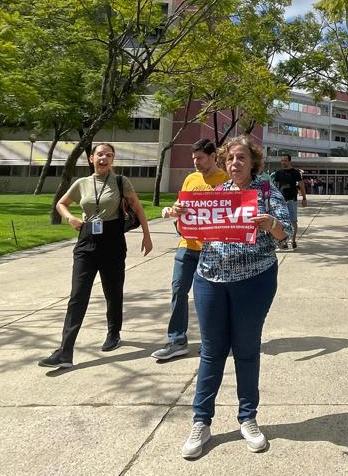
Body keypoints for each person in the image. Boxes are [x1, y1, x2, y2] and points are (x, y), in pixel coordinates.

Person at [168, 135, 291, 459]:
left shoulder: (264, 192)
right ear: (224, 163)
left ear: (253, 163)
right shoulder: (215, 196)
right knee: (211, 351)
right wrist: (181, 216)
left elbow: (286, 232)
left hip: (254, 281)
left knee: (246, 349)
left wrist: (271, 223)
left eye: (241, 158)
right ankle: (201, 422)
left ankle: (247, 418)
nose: (235, 163)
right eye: (230, 159)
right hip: (210, 279)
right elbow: (192, 233)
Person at [39, 143, 153, 369]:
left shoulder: (121, 181)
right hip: (86, 241)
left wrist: (147, 236)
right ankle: (65, 351)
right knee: (78, 295)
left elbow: (137, 208)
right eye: (100, 155)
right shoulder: (82, 184)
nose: (104, 158)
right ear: (91, 158)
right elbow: (61, 203)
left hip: (112, 242)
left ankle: (113, 334)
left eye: (109, 155)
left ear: (113, 160)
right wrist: (70, 217)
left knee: (113, 291)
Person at [151, 139, 228, 361]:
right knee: (178, 291)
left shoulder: (225, 180)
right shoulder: (190, 179)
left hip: (213, 250)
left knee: (210, 297)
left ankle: (211, 342)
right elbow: (179, 205)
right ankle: (176, 340)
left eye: (200, 158)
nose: (196, 162)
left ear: (213, 156)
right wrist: (174, 210)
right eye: (193, 158)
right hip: (187, 246)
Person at [271, 154, 306, 249]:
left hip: (292, 200)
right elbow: (275, 187)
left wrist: (304, 198)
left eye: (285, 160)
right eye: (282, 160)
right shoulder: (278, 173)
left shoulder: (295, 172)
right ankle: (283, 241)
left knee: (293, 221)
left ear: (289, 161)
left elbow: (301, 185)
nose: (283, 162)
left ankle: (293, 240)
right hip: (280, 201)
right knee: (281, 222)